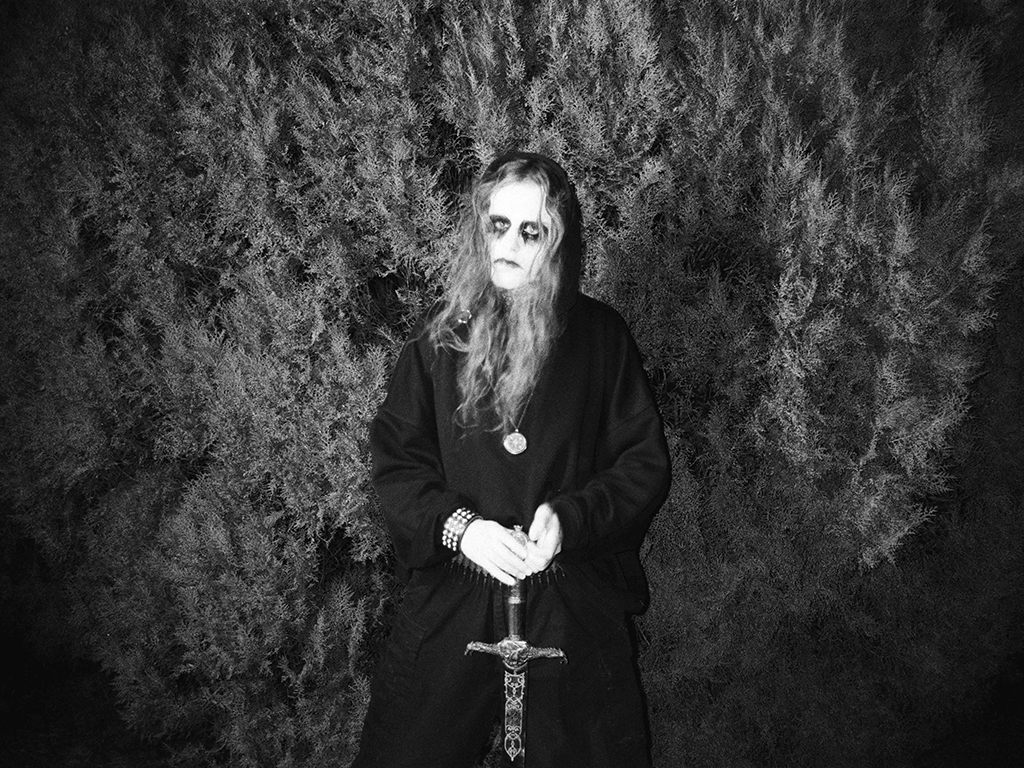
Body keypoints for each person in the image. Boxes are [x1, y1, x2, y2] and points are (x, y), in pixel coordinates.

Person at [352, 151, 671, 768]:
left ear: (558, 240)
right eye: (498, 225)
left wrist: (570, 520)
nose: (509, 245)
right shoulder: (440, 336)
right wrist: (461, 529)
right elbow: (397, 460)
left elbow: (642, 465)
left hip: (567, 601)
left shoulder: (601, 338)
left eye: (531, 231)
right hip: (455, 598)